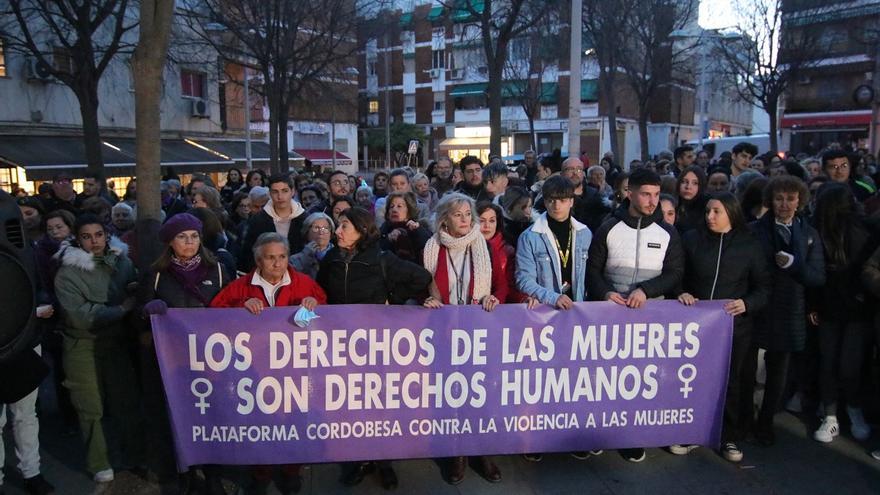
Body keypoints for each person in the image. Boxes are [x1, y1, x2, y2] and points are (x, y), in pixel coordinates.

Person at [317, 207, 431, 490]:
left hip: (375, 348)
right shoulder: (331, 258)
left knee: (378, 407)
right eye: (338, 225)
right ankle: (357, 459)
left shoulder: (381, 259)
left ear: (362, 230)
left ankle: (383, 461)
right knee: (350, 407)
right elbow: (320, 295)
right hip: (340, 347)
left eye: (344, 226)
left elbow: (421, 278)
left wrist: (393, 299)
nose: (338, 231)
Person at [211, 232, 326, 495]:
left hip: (294, 370)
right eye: (271, 258)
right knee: (259, 423)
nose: (277, 263)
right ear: (258, 260)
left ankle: (290, 472)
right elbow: (213, 317)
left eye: (282, 257)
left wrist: (314, 305)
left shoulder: (304, 284)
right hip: (255, 371)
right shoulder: (240, 287)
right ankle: (260, 474)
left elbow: (325, 320)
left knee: (295, 420)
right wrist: (240, 307)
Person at [587, 168, 683, 463]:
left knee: (640, 383)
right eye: (646, 194)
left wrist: (646, 290)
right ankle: (598, 432)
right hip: (611, 317)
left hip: (650, 319)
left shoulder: (667, 232)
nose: (652, 201)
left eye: (656, 194)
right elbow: (592, 269)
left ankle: (632, 436)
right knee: (606, 380)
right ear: (630, 193)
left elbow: (676, 272)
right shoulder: (609, 227)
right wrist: (604, 293)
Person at [140, 213, 231, 494]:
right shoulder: (155, 275)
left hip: (211, 360)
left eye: (194, 236)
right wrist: (146, 311)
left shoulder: (217, 270)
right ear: (170, 242)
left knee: (214, 415)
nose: (189, 242)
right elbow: (137, 314)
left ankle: (213, 472)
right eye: (182, 237)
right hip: (175, 362)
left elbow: (231, 309)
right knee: (180, 417)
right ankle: (187, 473)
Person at [677, 192, 770, 463]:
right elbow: (678, 275)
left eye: (716, 211)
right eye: (707, 211)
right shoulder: (693, 239)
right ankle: (691, 432)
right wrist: (682, 292)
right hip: (696, 328)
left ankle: (728, 435)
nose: (710, 217)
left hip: (734, 328)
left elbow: (764, 287)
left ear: (731, 212)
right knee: (693, 381)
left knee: (731, 382)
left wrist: (747, 303)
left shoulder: (749, 245)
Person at [421, 193, 505, 484]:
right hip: (444, 332)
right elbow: (422, 281)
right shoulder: (432, 247)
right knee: (451, 395)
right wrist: (425, 298)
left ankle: (482, 452)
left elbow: (500, 284)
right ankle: (457, 454)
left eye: (468, 214)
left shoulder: (483, 246)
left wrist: (496, 296)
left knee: (481, 394)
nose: (465, 220)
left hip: (478, 330)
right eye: (458, 215)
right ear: (444, 217)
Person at [54, 214, 143, 483]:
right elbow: (79, 315)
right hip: (82, 344)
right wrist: (121, 308)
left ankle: (135, 456)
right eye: (86, 236)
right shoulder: (68, 272)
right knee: (90, 407)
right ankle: (99, 463)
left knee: (126, 403)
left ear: (107, 235)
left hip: (116, 343)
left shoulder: (122, 262)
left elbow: (135, 289)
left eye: (99, 235)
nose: (94, 242)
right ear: (77, 239)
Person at [746, 176, 825, 446]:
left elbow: (817, 277)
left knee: (778, 374)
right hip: (758, 307)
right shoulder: (754, 230)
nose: (784, 204)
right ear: (770, 200)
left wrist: (793, 265)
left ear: (800, 201)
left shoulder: (809, 233)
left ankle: (766, 421)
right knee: (747, 369)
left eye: (790, 198)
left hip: (791, 307)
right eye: (779, 198)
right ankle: (745, 419)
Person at [810, 182, 874, 444]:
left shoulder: (864, 230)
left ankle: (850, 409)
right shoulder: (819, 232)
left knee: (847, 363)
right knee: (831, 361)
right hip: (832, 305)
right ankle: (832, 414)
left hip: (855, 307)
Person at [239, 174, 307, 272]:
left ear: (293, 192)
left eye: (285, 191)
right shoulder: (258, 220)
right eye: (275, 192)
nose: (280, 196)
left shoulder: (305, 218)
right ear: (270, 193)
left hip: (299, 276)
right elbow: (248, 254)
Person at [380, 192, 431, 266]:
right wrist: (388, 239)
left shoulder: (418, 228)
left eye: (399, 206)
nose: (394, 210)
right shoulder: (383, 230)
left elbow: (429, 247)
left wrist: (417, 231)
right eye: (391, 207)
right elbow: (376, 251)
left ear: (409, 212)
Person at [559, 157, 609, 232]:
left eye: (579, 169)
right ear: (562, 174)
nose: (575, 173)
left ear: (583, 173)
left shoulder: (594, 196)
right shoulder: (555, 196)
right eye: (570, 169)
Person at [290, 213, 335, 279]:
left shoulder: (339, 256)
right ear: (307, 232)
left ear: (330, 233)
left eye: (325, 228)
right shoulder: (294, 259)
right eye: (316, 228)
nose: (321, 232)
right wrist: (305, 256)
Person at [675, 166, 709, 233]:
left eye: (695, 183)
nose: (688, 187)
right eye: (684, 182)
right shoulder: (673, 205)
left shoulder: (706, 211)